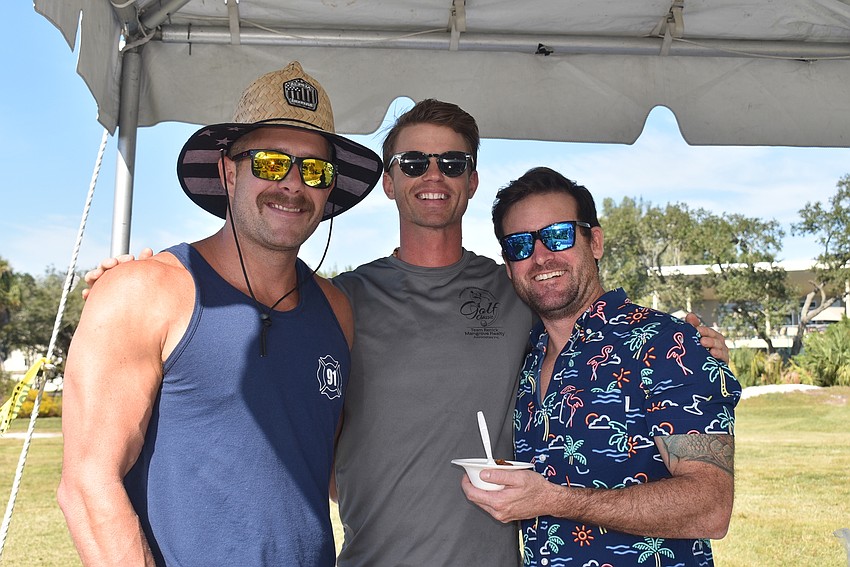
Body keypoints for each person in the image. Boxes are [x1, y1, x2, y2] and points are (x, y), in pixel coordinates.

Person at [82, 101, 731, 566]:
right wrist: (135, 279)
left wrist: (691, 342)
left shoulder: (515, 296)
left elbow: (586, 317)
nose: (433, 175)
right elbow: (319, 440)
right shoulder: (343, 301)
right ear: (388, 180)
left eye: (452, 162)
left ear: (472, 179)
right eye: (413, 162)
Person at [57, 61, 383, 566]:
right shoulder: (145, 290)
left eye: (314, 170)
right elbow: (87, 484)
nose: (293, 184)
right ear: (229, 171)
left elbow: (325, 468)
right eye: (271, 163)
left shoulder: (336, 308)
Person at [461, 167, 741, 567]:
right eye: (519, 245)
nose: (541, 256)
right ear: (508, 266)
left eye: (558, 235)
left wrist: (551, 499)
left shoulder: (668, 343)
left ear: (595, 241)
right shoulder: (527, 356)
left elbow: (711, 506)